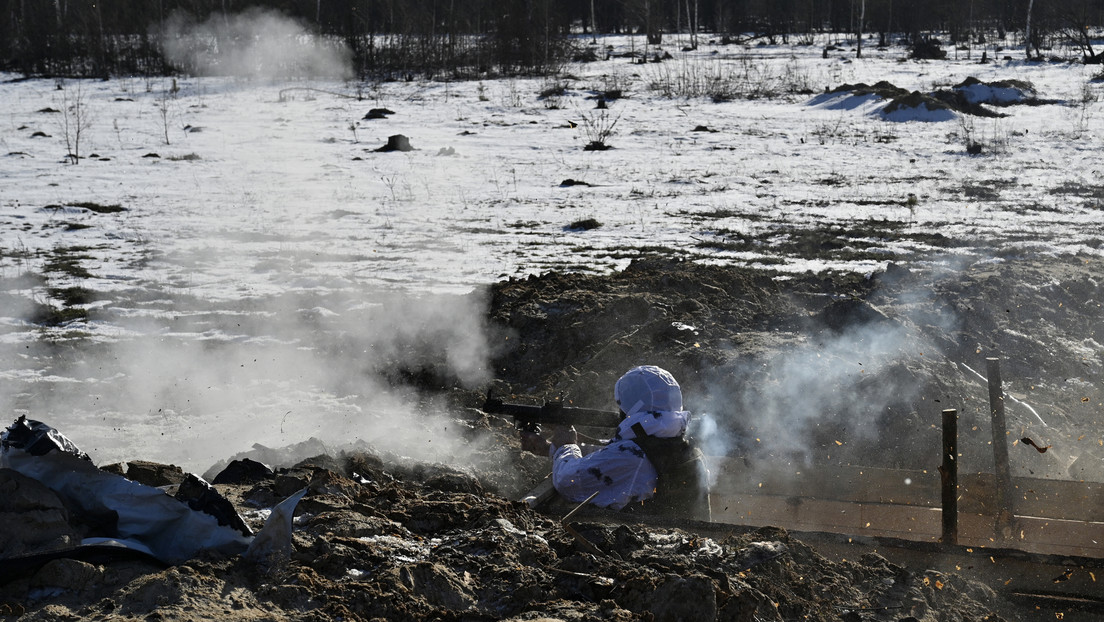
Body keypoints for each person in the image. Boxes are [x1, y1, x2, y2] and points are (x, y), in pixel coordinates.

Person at [521, 365, 711, 521]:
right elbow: (612, 454)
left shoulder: (633, 457)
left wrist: (566, 446)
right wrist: (551, 449)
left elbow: (568, 481)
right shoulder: (673, 442)